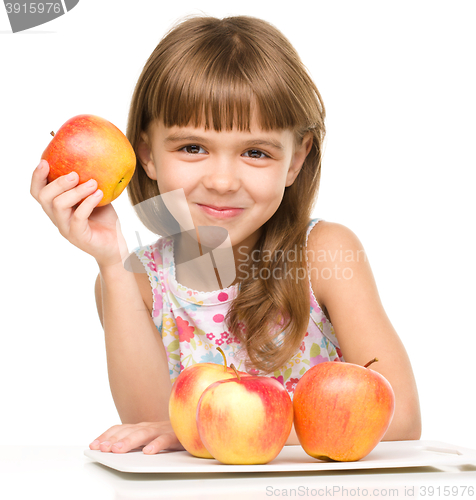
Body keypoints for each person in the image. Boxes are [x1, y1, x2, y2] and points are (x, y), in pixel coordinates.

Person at [30, 15, 421, 456]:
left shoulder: (323, 254)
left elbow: (402, 417)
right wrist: (110, 260)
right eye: (192, 148)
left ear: (296, 160)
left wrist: (219, 432)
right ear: (147, 154)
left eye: (256, 152)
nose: (221, 180)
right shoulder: (137, 281)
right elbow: (148, 429)